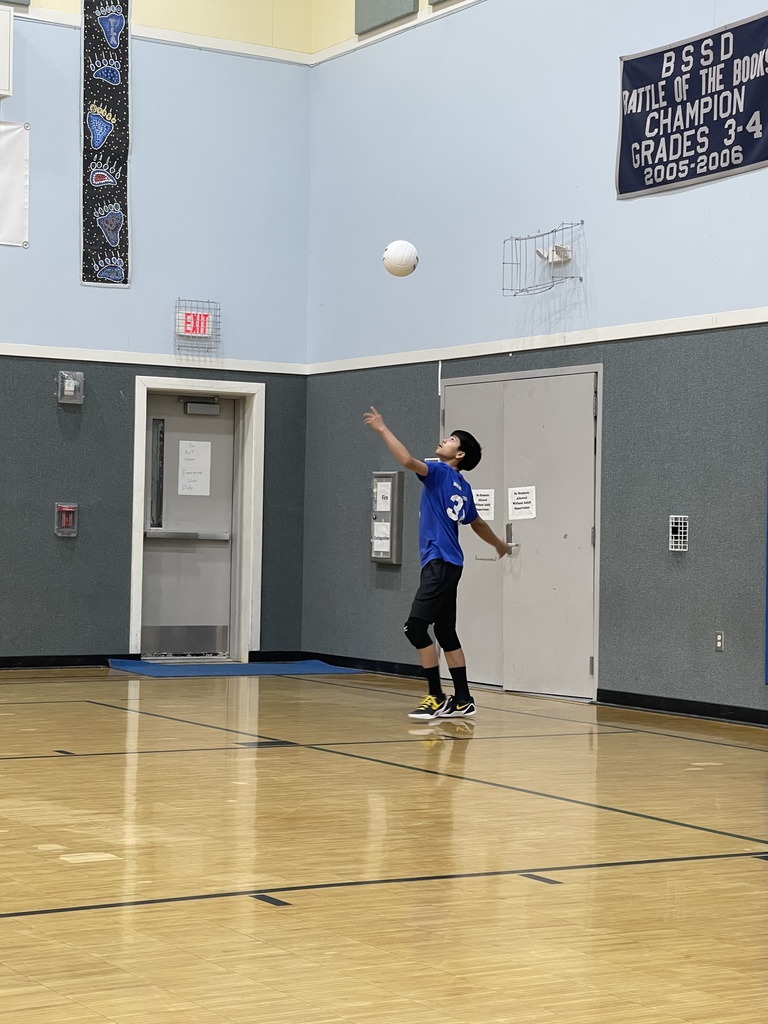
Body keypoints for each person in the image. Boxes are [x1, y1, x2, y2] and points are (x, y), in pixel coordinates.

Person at [363, 406, 508, 720]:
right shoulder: (464, 487)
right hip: (451, 564)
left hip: (439, 563)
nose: (444, 440)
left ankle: (435, 696)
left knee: (415, 627)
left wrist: (383, 428)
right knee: (445, 633)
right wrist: (500, 544)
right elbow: (478, 524)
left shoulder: (439, 471)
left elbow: (405, 461)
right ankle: (464, 698)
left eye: (452, 439)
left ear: (459, 455)